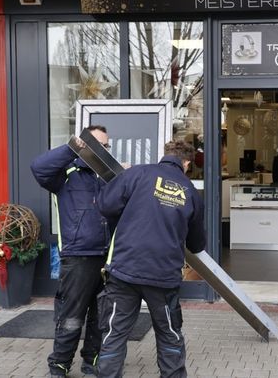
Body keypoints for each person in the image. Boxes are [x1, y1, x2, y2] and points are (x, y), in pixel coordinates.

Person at [96, 140, 206, 378]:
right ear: (186, 163)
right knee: (169, 334)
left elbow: (105, 205)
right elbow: (197, 244)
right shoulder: (190, 191)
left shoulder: (137, 173)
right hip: (163, 276)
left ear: (165, 155)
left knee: (114, 333)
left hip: (124, 270)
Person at [30, 125, 112, 377]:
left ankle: (92, 361)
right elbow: (39, 168)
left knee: (101, 316)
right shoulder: (67, 173)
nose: (103, 150)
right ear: (85, 145)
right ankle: (60, 365)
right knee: (72, 316)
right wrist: (72, 148)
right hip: (78, 257)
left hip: (108, 257)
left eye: (106, 146)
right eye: (97, 145)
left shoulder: (110, 177)